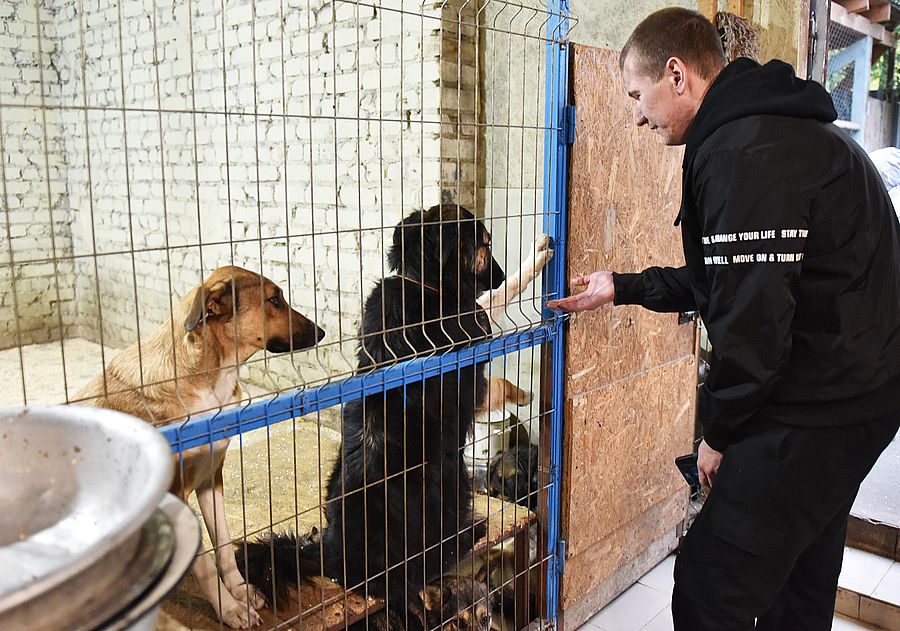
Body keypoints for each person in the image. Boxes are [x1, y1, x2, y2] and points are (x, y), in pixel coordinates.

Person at [546, 8, 900, 631]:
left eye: (637, 95)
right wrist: (622, 287)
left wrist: (718, 434)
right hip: (857, 394)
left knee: (710, 589)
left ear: (676, 74)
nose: (636, 117)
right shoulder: (773, 131)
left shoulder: (744, 152)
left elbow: (753, 327)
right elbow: (727, 282)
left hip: (821, 407)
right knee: (798, 576)